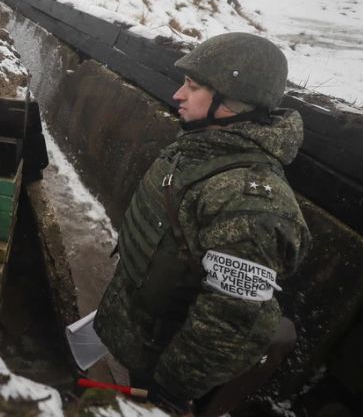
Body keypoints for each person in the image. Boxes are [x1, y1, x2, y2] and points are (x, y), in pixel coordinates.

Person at [94, 33, 311, 415]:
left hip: (164, 369)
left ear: (230, 102)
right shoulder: (200, 149)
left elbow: (229, 323)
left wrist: (170, 390)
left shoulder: (249, 204)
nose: (178, 94)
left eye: (193, 87)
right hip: (141, 339)